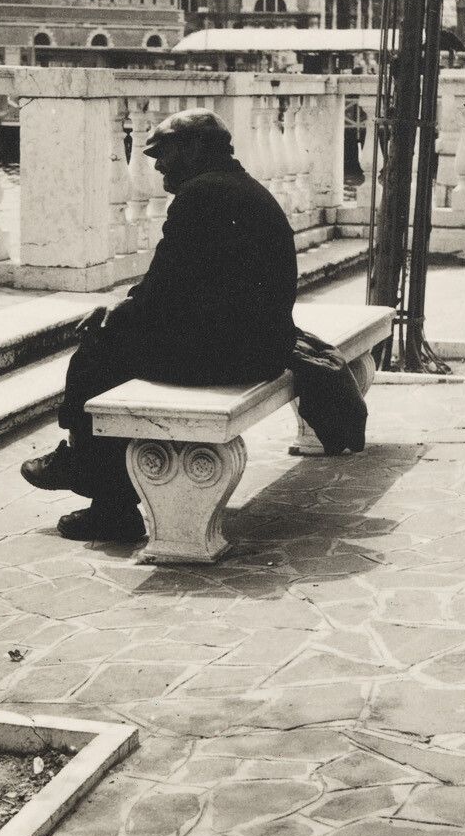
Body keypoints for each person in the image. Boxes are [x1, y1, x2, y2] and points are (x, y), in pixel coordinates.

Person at [21, 108, 299, 541]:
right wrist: (128, 306)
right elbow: (178, 283)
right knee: (115, 342)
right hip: (261, 346)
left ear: (194, 149)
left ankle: (97, 488)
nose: (157, 165)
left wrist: (121, 316)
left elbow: (166, 293)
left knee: (98, 353)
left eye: (164, 153)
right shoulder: (240, 188)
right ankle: (92, 476)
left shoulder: (201, 197)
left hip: (237, 355)